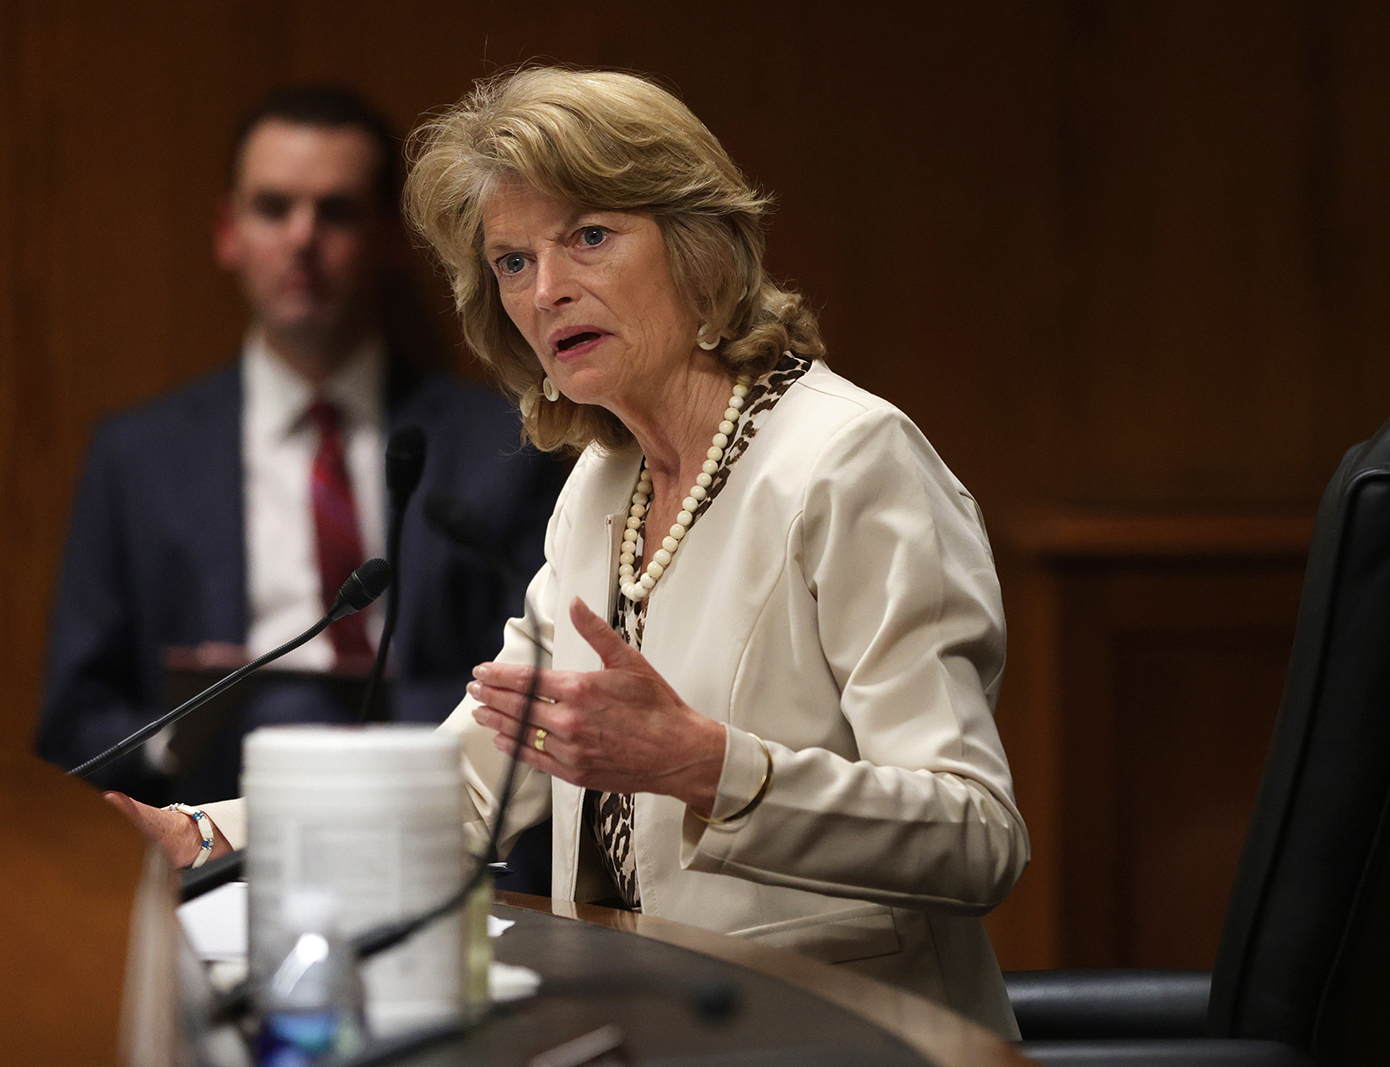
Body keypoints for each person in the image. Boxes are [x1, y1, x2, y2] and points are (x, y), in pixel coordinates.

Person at [116, 67, 1030, 1034]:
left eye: (588, 237)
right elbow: (474, 782)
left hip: (849, 1034)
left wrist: (704, 765)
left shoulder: (847, 462)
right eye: (512, 262)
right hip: (658, 1027)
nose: (547, 290)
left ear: (698, 246)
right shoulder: (601, 486)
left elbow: (976, 835)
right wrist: (200, 831)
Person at [38, 86, 565, 813]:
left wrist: (348, 736)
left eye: (337, 210)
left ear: (386, 238)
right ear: (229, 230)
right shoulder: (137, 455)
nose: (302, 238)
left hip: (434, 820)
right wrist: (179, 737)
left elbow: (535, 685)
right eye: (273, 207)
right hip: (201, 830)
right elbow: (73, 720)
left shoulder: (506, 442)